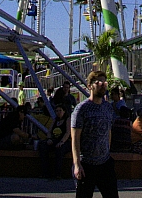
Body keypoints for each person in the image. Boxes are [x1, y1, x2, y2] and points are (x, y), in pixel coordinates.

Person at [71, 70, 118, 198]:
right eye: (99, 82)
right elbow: (75, 138)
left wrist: (107, 153)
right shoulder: (81, 109)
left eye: (104, 82)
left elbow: (108, 132)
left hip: (105, 163)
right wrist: (77, 164)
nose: (103, 85)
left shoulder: (108, 107)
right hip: (86, 164)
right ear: (90, 86)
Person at [38, 103, 70, 178]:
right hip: (55, 140)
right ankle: (45, 172)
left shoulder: (67, 120)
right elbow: (49, 131)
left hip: (65, 141)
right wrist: (49, 139)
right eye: (57, 111)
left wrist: (61, 142)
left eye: (60, 111)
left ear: (64, 111)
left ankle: (57, 173)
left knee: (59, 150)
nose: (58, 112)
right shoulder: (55, 120)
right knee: (43, 146)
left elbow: (68, 132)